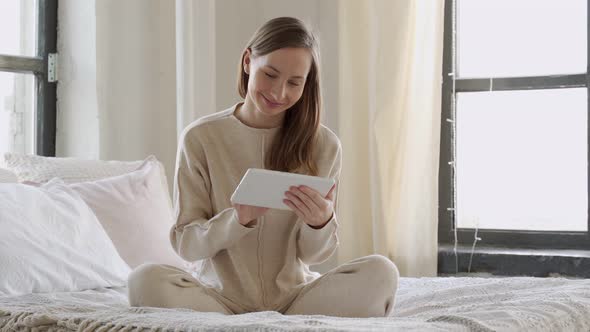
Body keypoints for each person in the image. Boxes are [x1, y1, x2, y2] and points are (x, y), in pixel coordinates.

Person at [127, 16, 399, 318]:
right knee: (144, 280)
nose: (279, 92)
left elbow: (314, 255)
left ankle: (276, 324)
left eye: (294, 82)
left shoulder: (323, 145)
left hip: (296, 300)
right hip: (218, 302)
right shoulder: (200, 138)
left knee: (381, 272)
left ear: (306, 84)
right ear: (247, 61)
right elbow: (187, 245)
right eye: (270, 74)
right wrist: (237, 220)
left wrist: (320, 223)